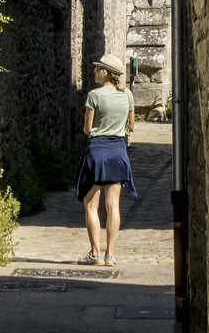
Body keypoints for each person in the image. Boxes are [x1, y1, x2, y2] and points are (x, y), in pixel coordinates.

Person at [76, 51, 136, 265]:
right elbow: (131, 126)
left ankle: (95, 254)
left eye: (97, 68)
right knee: (114, 206)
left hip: (97, 151)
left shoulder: (94, 95)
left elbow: (87, 128)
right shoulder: (127, 95)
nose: (94, 71)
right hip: (118, 152)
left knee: (91, 205)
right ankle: (110, 254)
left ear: (105, 72)